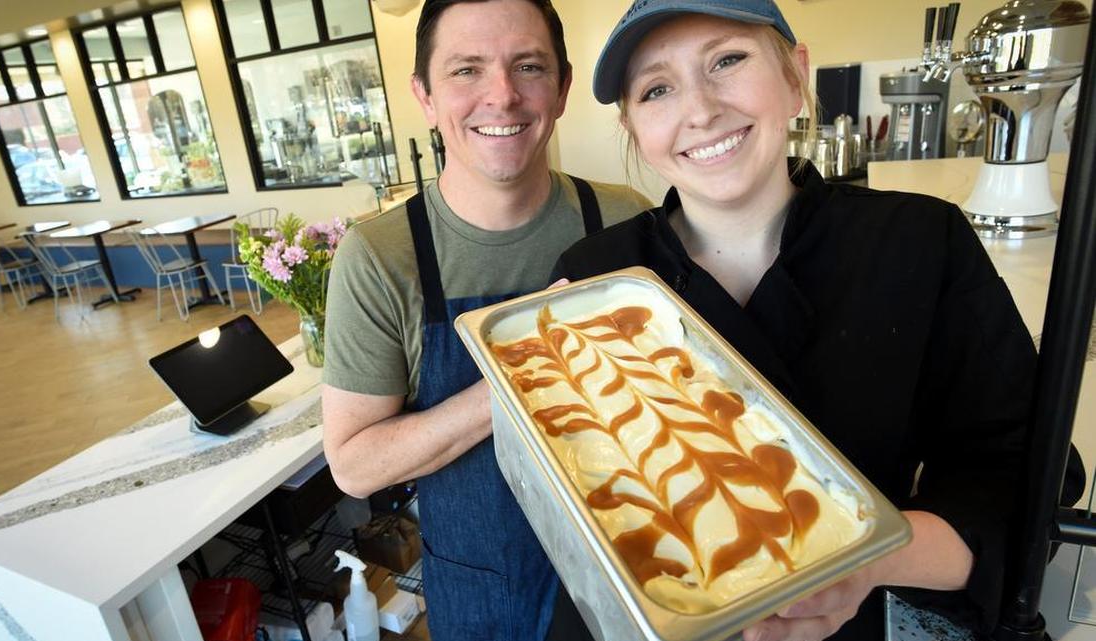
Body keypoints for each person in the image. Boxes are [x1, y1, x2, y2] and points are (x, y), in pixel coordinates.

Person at [552, 1, 1082, 639]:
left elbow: (1021, 476)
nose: (698, 110)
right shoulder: (597, 278)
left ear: (795, 77)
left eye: (727, 60)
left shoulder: (916, 241)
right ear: (634, 128)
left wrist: (862, 563)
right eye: (657, 88)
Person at [320, 1, 651, 639]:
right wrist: (526, 368)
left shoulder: (624, 220)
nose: (501, 96)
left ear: (562, 88)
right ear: (424, 95)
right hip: (482, 592)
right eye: (466, 70)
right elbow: (355, 464)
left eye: (528, 66)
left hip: (633, 573)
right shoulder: (383, 256)